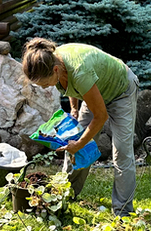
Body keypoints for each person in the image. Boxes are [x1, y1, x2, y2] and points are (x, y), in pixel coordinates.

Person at [21, 37, 139, 215]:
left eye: (45, 84)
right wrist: (74, 109)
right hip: (94, 91)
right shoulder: (53, 60)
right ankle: (65, 196)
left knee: (122, 151)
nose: (45, 88)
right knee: (73, 140)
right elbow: (70, 84)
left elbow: (101, 116)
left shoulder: (79, 71)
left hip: (121, 91)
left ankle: (123, 212)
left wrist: (80, 143)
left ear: (55, 70)